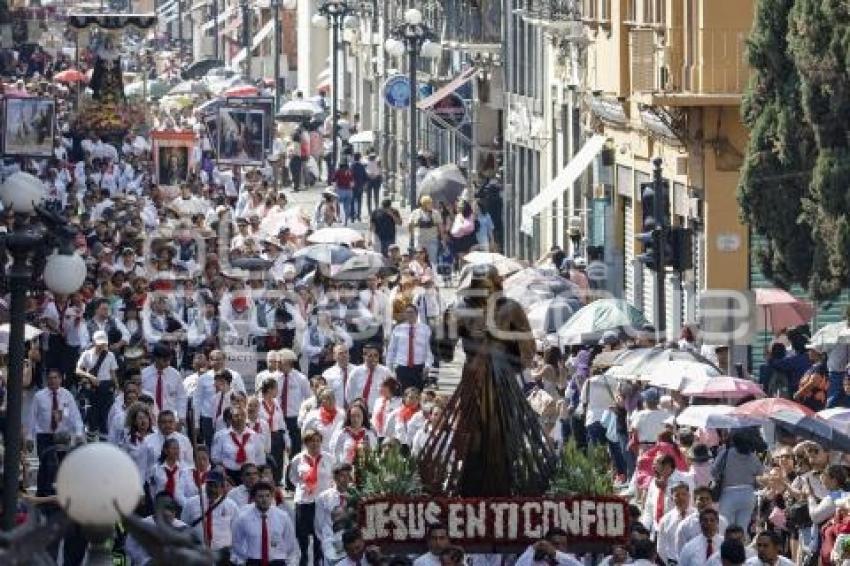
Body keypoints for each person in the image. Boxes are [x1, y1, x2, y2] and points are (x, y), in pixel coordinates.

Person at [289, 428, 335, 566]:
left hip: (322, 502)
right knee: (302, 535)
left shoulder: (329, 458)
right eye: (311, 441)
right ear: (305, 443)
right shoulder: (298, 459)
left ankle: (317, 561)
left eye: (317, 441)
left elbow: (332, 477)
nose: (314, 444)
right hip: (304, 501)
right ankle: (303, 557)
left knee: (319, 535)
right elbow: (293, 478)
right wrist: (306, 487)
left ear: (321, 442)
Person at [230, 481, 298, 566]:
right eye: (260, 496)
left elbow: (290, 543)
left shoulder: (283, 517)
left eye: (267, 496)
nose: (264, 499)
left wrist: (291, 563)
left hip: (277, 561)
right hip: (253, 561)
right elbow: (237, 543)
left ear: (271, 497)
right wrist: (241, 561)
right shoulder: (243, 518)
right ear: (254, 498)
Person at [28, 368, 84, 457]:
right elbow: (32, 417)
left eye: (55, 378)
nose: (53, 381)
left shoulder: (67, 395)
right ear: (47, 380)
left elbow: (75, 415)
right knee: (45, 463)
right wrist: (29, 437)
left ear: (60, 379)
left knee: (62, 464)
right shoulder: (39, 396)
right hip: (44, 435)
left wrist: (79, 433)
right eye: (50, 378)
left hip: (62, 435)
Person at [713, 430, 764, 528]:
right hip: (748, 495)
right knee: (742, 529)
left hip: (728, 494)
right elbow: (760, 474)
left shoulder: (726, 454)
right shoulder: (753, 457)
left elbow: (713, 471)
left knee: (726, 528)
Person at [180, 470, 239, 555]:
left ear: (222, 487)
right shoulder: (191, 503)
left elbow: (236, 531)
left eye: (216, 486)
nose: (212, 489)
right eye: (209, 485)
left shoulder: (231, 505)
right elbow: (184, 525)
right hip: (197, 551)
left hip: (222, 553)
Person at [75, 329, 119, 435]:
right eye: (99, 343)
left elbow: (113, 373)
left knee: (105, 416)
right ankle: (92, 434)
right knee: (91, 415)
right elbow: (78, 370)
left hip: (106, 387)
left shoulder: (110, 355)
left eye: (103, 343)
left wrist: (117, 387)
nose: (101, 346)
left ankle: (104, 438)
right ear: (94, 342)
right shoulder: (87, 354)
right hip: (92, 387)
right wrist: (89, 376)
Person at [211, 407, 266, 484]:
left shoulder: (254, 436)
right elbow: (215, 457)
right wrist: (224, 472)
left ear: (246, 417)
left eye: (242, 415)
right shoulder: (221, 436)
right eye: (236, 415)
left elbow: (260, 458)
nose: (239, 418)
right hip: (229, 475)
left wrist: (255, 475)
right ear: (231, 418)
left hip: (250, 476)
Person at [387, 304, 433, 391]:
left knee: (416, 393)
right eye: (407, 313)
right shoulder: (398, 329)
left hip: (418, 368)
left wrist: (427, 366)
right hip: (402, 367)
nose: (409, 315)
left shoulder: (425, 329)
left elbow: (429, 349)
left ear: (416, 313)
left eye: (411, 312)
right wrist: (389, 368)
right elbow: (391, 349)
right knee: (401, 394)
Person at [314, 462, 354, 544]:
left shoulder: (354, 495)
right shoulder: (323, 497)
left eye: (348, 475)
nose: (346, 479)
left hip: (351, 540)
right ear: (335, 478)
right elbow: (319, 523)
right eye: (342, 476)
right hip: (331, 540)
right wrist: (325, 541)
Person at [657, 481, 694, 565]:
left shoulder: (698, 517)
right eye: (677, 495)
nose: (681, 498)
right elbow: (660, 548)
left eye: (684, 494)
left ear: (689, 496)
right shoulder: (665, 520)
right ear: (672, 498)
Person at [346, 343, 391, 410]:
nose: (373, 358)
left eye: (376, 355)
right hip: (360, 412)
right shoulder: (355, 372)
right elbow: (349, 394)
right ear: (364, 356)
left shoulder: (386, 372)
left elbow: (391, 393)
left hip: (378, 412)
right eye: (370, 356)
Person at [514, 528, 582, 566]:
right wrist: (532, 550)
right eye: (557, 544)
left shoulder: (568, 560)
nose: (561, 548)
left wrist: (556, 554)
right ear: (547, 544)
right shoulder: (534, 561)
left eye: (564, 544)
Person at [409, 195, 444, 266]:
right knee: (419, 259)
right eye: (429, 203)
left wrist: (442, 238)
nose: (431, 205)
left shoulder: (435, 213)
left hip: (432, 239)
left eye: (431, 203)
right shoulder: (415, 213)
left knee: (433, 260)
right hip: (419, 240)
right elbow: (410, 225)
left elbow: (440, 226)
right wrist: (412, 237)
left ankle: (433, 274)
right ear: (424, 204)